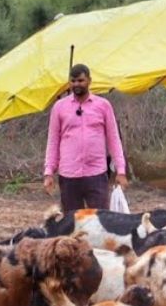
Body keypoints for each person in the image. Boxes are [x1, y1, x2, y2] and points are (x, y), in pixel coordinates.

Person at [43, 64, 128, 211]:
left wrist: (121, 170)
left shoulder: (103, 106)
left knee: (101, 220)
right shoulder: (59, 107)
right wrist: (49, 172)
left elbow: (113, 140)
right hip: (68, 175)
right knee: (72, 223)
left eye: (80, 80)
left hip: (96, 174)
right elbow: (53, 141)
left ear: (89, 81)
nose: (76, 84)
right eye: (73, 81)